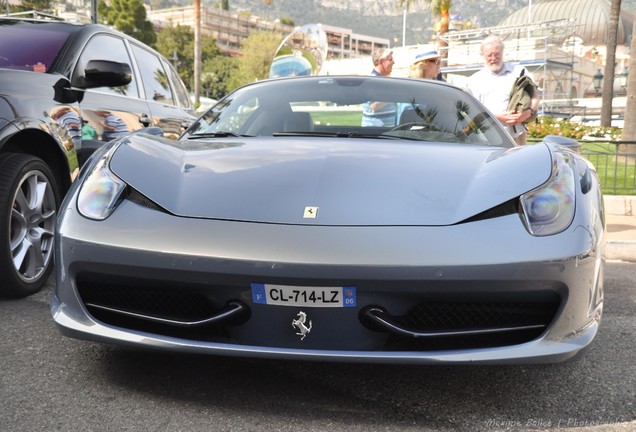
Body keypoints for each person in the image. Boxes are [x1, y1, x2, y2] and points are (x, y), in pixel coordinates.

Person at [466, 35, 540, 145]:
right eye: (489, 55)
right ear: (483, 55)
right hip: (487, 136)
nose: (493, 58)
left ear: (502, 52)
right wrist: (497, 116)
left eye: (497, 54)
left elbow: (535, 95)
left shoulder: (519, 72)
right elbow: (471, 109)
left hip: (516, 135)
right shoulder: (474, 80)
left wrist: (528, 112)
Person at [361, 48, 397, 127]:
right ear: (381, 62)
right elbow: (374, 106)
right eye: (390, 59)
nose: (393, 62)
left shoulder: (382, 80)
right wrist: (396, 94)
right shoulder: (372, 80)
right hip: (374, 134)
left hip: (384, 132)